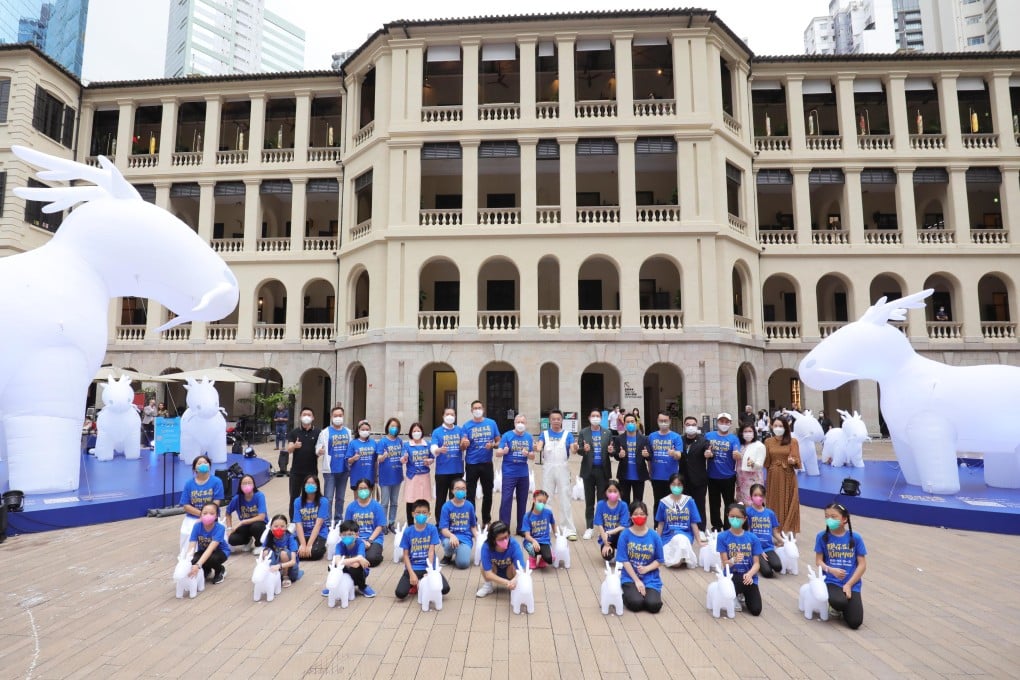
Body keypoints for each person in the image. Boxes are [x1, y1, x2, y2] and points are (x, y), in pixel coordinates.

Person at [815, 503, 868, 629]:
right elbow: (818, 561)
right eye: (827, 516)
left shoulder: (856, 538)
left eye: (834, 517)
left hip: (851, 583)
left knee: (855, 622)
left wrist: (849, 584)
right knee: (839, 602)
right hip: (831, 581)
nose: (829, 520)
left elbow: (862, 565)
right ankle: (835, 605)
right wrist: (830, 569)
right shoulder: (822, 536)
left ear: (844, 519)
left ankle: (845, 607)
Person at [396, 499, 451, 600]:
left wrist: (430, 571)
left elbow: (431, 551)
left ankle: (421, 583)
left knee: (445, 589)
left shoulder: (432, 529)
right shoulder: (408, 531)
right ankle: (415, 584)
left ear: (429, 514)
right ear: (413, 514)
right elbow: (405, 555)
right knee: (400, 593)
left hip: (428, 568)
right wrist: (411, 573)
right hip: (413, 568)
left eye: (424, 512)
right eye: (418, 512)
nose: (421, 515)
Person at [616, 501, 664, 613]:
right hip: (630, 577)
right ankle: (625, 595)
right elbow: (624, 560)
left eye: (642, 514)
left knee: (654, 605)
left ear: (647, 516)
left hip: (651, 578)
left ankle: (651, 593)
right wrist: (637, 580)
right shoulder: (625, 535)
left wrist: (647, 568)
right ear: (630, 516)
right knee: (636, 604)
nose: (639, 517)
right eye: (636, 514)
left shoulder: (654, 536)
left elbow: (660, 560)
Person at [717, 503, 763, 616]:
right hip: (732, 576)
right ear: (727, 516)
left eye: (738, 517)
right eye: (732, 516)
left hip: (748, 577)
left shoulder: (752, 538)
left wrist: (750, 574)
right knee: (731, 589)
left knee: (756, 610)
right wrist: (733, 560)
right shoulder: (722, 537)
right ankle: (734, 594)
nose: (735, 519)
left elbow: (757, 563)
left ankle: (742, 594)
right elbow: (724, 564)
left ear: (745, 519)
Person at [538, 409, 577, 540]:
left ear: (562, 420)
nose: (556, 421)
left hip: (563, 468)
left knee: (565, 497)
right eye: (553, 419)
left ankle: (568, 529)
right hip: (548, 468)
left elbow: (573, 449)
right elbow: (539, 447)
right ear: (549, 421)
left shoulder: (568, 435)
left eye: (558, 419)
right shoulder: (544, 434)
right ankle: (545, 527)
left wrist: (576, 447)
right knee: (545, 497)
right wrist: (535, 447)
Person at [496, 413, 536, 534]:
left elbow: (533, 456)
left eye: (522, 422)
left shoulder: (529, 437)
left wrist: (528, 454)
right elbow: (497, 453)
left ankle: (521, 528)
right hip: (509, 472)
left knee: (522, 500)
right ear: (514, 423)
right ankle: (504, 528)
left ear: (526, 424)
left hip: (523, 473)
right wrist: (504, 451)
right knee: (506, 500)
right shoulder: (507, 435)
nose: (520, 424)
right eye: (518, 422)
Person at [577, 408, 614, 540]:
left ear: (601, 418)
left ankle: (602, 527)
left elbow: (612, 450)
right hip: (589, 470)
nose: (595, 418)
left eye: (597, 416)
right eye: (593, 416)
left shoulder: (607, 432)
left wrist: (611, 450)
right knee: (589, 500)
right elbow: (579, 450)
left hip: (602, 470)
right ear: (589, 418)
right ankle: (589, 527)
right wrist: (583, 449)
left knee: (602, 501)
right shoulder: (584, 432)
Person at [462, 401, 500, 526]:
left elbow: (498, 441)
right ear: (471, 410)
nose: (477, 410)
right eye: (475, 408)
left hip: (487, 463)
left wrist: (493, 445)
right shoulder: (466, 426)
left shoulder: (491, 423)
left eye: (479, 407)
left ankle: (486, 520)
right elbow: (462, 443)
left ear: (483, 409)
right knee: (470, 494)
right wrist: (464, 444)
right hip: (472, 464)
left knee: (488, 493)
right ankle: (472, 521)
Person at [655, 473, 705, 564]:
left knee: (680, 541)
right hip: (668, 536)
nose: (676, 487)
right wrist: (657, 543)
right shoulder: (663, 502)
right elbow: (661, 524)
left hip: (685, 535)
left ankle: (681, 559)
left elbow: (694, 523)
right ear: (669, 485)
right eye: (673, 484)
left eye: (679, 485)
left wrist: (699, 541)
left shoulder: (689, 501)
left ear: (683, 486)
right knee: (669, 560)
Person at [764, 416, 802, 535]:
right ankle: (775, 530)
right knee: (774, 501)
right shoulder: (768, 441)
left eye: (780, 426)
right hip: (773, 475)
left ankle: (789, 530)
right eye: (775, 426)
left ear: (786, 427)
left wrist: (793, 461)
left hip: (788, 475)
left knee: (790, 501)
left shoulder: (793, 441)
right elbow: (766, 462)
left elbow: (797, 461)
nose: (778, 428)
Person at [430, 408, 469, 522]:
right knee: (441, 499)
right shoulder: (437, 432)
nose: (450, 416)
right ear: (443, 416)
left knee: (457, 499)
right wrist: (438, 449)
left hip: (457, 470)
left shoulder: (460, 430)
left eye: (452, 414)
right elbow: (433, 447)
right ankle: (440, 523)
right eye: (447, 414)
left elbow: (463, 445)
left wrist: (464, 444)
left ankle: (455, 522)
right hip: (442, 472)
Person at [704, 412, 740, 532]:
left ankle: (727, 525)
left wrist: (737, 455)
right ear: (717, 423)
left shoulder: (733, 439)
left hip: (728, 476)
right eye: (721, 421)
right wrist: (706, 454)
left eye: (726, 422)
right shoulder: (708, 436)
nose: (723, 424)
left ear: (730, 424)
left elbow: (737, 453)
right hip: (712, 475)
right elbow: (703, 450)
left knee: (728, 503)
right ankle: (716, 525)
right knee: (714, 503)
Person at [322, 519, 375, 598]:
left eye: (350, 534)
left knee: (356, 568)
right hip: (345, 568)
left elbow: (356, 565)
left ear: (357, 535)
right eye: (344, 534)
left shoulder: (360, 544)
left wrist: (346, 561)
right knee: (332, 567)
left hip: (360, 572)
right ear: (340, 535)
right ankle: (333, 587)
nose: (347, 537)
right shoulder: (339, 545)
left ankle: (362, 586)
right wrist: (358, 559)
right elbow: (337, 562)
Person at [317, 405, 351, 523]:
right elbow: (318, 447)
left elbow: (351, 448)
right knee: (329, 498)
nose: (338, 418)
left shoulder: (348, 432)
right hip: (330, 470)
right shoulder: (325, 432)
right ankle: (327, 521)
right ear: (331, 417)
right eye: (335, 416)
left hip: (344, 469)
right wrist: (319, 451)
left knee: (340, 498)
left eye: (340, 416)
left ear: (343, 417)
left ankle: (338, 519)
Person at [646, 411, 684, 514]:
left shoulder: (676, 437)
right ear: (657, 421)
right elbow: (649, 456)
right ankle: (657, 526)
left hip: (671, 477)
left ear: (670, 421)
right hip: (656, 476)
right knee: (658, 502)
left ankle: (670, 526)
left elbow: (679, 455)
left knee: (671, 503)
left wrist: (674, 453)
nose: (663, 423)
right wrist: (650, 471)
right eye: (661, 420)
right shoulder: (651, 437)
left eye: (665, 421)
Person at [285, 407, 321, 516]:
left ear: (313, 417)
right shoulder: (294, 432)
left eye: (309, 415)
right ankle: (293, 521)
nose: (306, 417)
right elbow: (289, 449)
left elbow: (319, 449)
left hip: (312, 472)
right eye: (304, 414)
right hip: (296, 472)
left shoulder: (318, 432)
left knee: (312, 495)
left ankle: (311, 518)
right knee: (294, 498)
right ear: (300, 417)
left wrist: (320, 451)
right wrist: (295, 446)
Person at [476, 520, 525, 598]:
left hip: (510, 572)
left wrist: (514, 580)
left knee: (517, 567)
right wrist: (506, 582)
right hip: (495, 571)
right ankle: (488, 586)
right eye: (500, 539)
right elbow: (488, 574)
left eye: (506, 537)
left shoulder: (514, 545)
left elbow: (522, 569)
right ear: (493, 540)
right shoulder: (486, 547)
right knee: (483, 565)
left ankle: (516, 587)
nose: (505, 541)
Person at [343, 477, 386, 567]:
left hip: (373, 540)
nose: (363, 491)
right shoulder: (351, 507)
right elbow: (347, 527)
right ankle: (358, 558)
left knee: (372, 559)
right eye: (360, 489)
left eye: (365, 488)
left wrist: (369, 541)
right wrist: (357, 540)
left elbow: (380, 526)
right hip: (355, 539)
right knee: (342, 554)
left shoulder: (377, 506)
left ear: (370, 489)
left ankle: (371, 555)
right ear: (357, 491)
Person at [608, 413, 650, 506]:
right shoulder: (619, 439)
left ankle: (635, 520)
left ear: (636, 423)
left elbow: (649, 455)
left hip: (639, 476)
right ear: (624, 424)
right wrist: (619, 455)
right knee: (624, 502)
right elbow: (616, 455)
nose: (630, 423)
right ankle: (625, 520)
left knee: (638, 503)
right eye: (627, 422)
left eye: (632, 421)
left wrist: (646, 455)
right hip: (624, 475)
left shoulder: (644, 439)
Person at [744, 483, 784, 578]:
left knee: (778, 567)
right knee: (767, 573)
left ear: (764, 497)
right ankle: (756, 562)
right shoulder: (748, 512)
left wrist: (783, 541)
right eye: (755, 495)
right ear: (751, 497)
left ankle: (763, 562)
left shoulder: (770, 513)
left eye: (761, 495)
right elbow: (747, 533)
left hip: (768, 548)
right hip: (755, 549)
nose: (758, 498)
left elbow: (774, 532)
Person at [438, 478, 479, 569]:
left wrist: (477, 537)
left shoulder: (469, 506)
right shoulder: (446, 506)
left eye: (463, 489)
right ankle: (448, 555)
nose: (460, 491)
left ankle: (459, 552)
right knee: (448, 543)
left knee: (463, 564)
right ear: (452, 491)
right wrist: (452, 536)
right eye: (457, 488)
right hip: (450, 537)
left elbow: (473, 525)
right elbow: (443, 529)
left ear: (466, 491)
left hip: (465, 538)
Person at [679, 416, 710, 534]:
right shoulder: (679, 440)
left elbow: (709, 451)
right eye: (688, 424)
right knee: (683, 505)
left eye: (693, 424)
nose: (690, 427)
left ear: (697, 426)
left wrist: (709, 453)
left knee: (700, 506)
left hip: (699, 479)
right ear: (684, 426)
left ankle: (701, 529)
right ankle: (685, 528)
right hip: (683, 479)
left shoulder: (703, 440)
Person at [187, 501, 230, 584]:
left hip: (220, 552)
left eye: (211, 513)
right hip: (203, 551)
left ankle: (220, 570)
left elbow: (210, 549)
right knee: (193, 560)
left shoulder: (220, 528)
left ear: (216, 515)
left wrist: (198, 565)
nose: (207, 516)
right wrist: (187, 561)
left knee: (211, 559)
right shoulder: (197, 526)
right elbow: (192, 545)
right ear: (201, 514)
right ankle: (206, 569)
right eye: (205, 513)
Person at [225, 474, 267, 551]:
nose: (247, 485)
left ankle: (259, 544)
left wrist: (242, 522)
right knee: (232, 539)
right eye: (244, 483)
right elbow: (228, 513)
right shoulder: (237, 498)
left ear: (254, 485)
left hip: (259, 523)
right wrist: (229, 528)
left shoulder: (259, 496)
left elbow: (261, 517)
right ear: (240, 486)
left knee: (256, 527)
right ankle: (247, 541)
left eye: (249, 483)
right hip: (245, 526)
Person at [376, 417, 404, 533]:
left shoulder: (400, 441)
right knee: (384, 502)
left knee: (394, 502)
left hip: (397, 475)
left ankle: (391, 523)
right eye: (392, 426)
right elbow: (378, 458)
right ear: (387, 427)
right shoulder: (383, 441)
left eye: (396, 427)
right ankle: (382, 524)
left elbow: (403, 455)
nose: (394, 428)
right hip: (385, 477)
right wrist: (383, 457)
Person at [401, 422, 433, 524]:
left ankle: (424, 521)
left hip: (424, 476)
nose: (416, 433)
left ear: (422, 432)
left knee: (424, 500)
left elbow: (432, 458)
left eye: (418, 431)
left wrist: (429, 461)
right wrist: (404, 458)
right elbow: (402, 459)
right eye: (414, 431)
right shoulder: (407, 445)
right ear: (411, 433)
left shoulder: (427, 444)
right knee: (411, 500)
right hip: (412, 477)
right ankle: (410, 523)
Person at [293, 474, 329, 561]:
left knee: (315, 553)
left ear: (317, 486)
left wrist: (309, 545)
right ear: (304, 486)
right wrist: (303, 545)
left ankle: (322, 547)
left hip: (318, 534)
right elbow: (298, 525)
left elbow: (318, 524)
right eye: (307, 483)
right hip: (302, 534)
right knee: (294, 552)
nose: (310, 485)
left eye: (313, 483)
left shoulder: (323, 501)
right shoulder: (298, 501)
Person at [593, 479, 631, 562]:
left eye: (615, 491)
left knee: (623, 534)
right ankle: (613, 551)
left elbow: (623, 526)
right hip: (606, 536)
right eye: (609, 491)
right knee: (607, 556)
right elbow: (600, 525)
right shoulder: (601, 504)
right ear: (605, 492)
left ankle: (621, 552)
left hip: (618, 534)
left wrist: (610, 532)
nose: (612, 493)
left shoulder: (623, 505)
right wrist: (605, 543)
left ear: (619, 493)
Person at [262, 514, 301, 587]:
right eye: (276, 526)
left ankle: (285, 577)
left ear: (286, 527)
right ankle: (270, 575)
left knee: (283, 553)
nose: (279, 529)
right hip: (275, 568)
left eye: (282, 526)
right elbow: (263, 553)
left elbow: (293, 561)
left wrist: (279, 566)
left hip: (290, 570)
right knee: (266, 551)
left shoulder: (290, 537)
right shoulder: (269, 537)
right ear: (271, 527)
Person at [521, 489, 556, 568]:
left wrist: (556, 533)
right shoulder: (527, 516)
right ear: (534, 500)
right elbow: (527, 535)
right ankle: (532, 558)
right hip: (531, 541)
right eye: (539, 501)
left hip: (544, 541)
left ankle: (542, 559)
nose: (542, 504)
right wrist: (534, 541)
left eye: (544, 502)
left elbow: (553, 523)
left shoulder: (548, 512)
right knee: (532, 549)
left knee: (551, 558)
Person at [735, 423, 766, 504]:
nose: (748, 433)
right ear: (741, 433)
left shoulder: (759, 445)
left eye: (750, 431)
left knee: (753, 502)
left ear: (754, 433)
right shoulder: (740, 445)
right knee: (741, 503)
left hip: (753, 479)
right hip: (741, 479)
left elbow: (760, 465)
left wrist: (752, 463)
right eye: (745, 431)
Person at [346, 420, 378, 496]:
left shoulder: (373, 443)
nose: (365, 431)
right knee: (358, 500)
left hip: (370, 476)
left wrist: (376, 476)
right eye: (363, 429)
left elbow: (376, 461)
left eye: (367, 430)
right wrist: (353, 458)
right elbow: (348, 461)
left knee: (369, 501)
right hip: (357, 477)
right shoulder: (353, 443)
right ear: (358, 430)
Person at [274, 402, 290, 476]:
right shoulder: (276, 412)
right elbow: (274, 419)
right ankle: (277, 446)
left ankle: (283, 446)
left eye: (280, 406)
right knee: (277, 436)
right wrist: (277, 419)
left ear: (282, 406)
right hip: (278, 425)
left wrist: (282, 419)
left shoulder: (286, 412)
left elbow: (287, 419)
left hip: (283, 425)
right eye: (278, 406)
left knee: (283, 436)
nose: (279, 407)